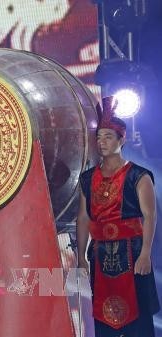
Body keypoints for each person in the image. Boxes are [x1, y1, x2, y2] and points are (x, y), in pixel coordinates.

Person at [76, 96, 160, 337]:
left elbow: (150, 215)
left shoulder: (138, 175)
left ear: (121, 140)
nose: (102, 142)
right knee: (103, 315)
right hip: (101, 255)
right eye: (99, 137)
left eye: (108, 137)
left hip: (133, 252)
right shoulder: (87, 178)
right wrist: (81, 256)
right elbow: (82, 218)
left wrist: (145, 254)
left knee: (139, 319)